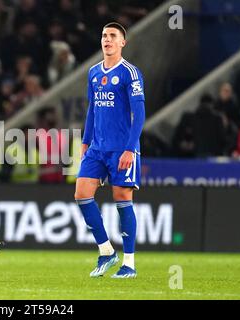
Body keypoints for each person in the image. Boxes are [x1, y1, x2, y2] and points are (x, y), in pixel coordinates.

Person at [75, 22, 145, 279]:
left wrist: (129, 149)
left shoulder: (130, 73)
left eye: (113, 36)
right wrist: (85, 142)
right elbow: (92, 109)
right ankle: (106, 251)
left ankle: (129, 264)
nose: (107, 39)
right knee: (81, 193)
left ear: (122, 42)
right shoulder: (93, 72)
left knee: (122, 199)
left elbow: (139, 114)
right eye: (104, 35)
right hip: (97, 148)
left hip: (122, 149)